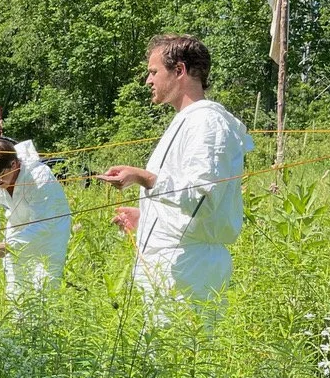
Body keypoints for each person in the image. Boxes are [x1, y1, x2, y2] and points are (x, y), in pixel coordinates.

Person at [100, 34, 253, 317]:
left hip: (191, 271)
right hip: (174, 266)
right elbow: (188, 206)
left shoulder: (207, 123)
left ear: (180, 71)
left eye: (154, 72)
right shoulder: (188, 121)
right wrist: (147, 218)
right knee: (159, 357)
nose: (148, 80)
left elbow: (202, 197)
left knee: (186, 355)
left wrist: (146, 178)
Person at [0, 137, 72, 301]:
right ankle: (19, 323)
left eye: (0, 176)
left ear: (14, 164)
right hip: (18, 227)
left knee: (45, 285)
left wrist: (9, 245)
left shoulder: (39, 177)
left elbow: (44, 223)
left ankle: (43, 324)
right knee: (16, 285)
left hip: (50, 232)